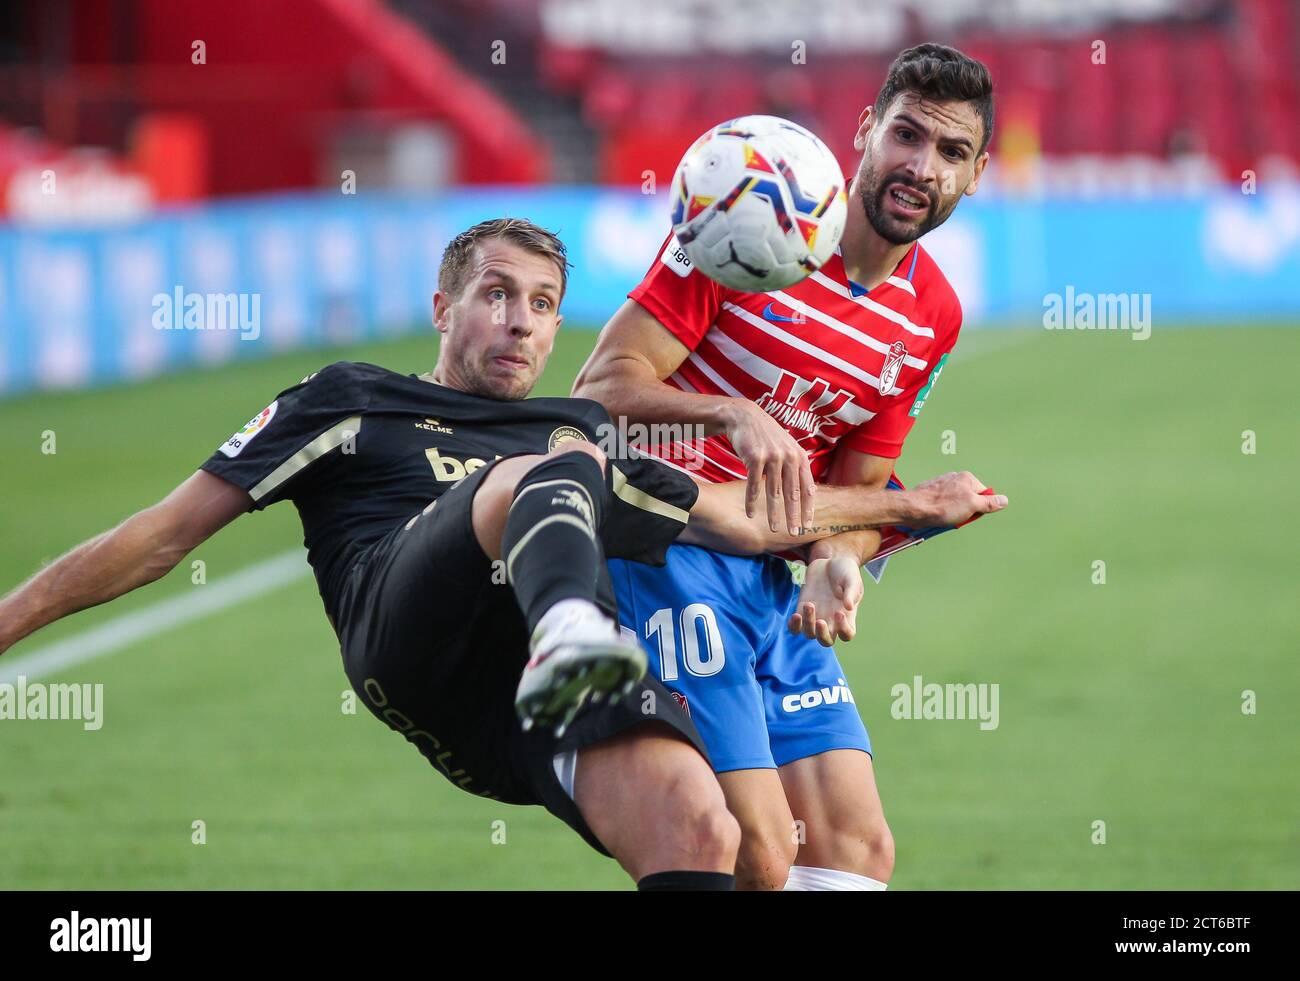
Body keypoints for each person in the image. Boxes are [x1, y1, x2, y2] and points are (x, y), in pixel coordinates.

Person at [0, 217, 1003, 890]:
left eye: (540, 303)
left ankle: (572, 649)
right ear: (443, 309)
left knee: (713, 835)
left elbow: (737, 521)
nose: (517, 321)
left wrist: (911, 506)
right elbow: (161, 535)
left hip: (519, 709)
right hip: (411, 633)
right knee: (536, 478)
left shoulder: (573, 424)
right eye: (493, 294)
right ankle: (571, 634)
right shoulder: (350, 398)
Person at [572, 43, 995, 890]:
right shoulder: (751, 220)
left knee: (853, 847)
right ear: (866, 133)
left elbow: (862, 490)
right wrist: (732, 411)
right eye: (907, 136)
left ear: (976, 174)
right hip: (666, 555)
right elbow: (600, 391)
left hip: (771, 580)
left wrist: (834, 567)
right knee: (759, 852)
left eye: (951, 153)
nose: (922, 166)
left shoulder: (931, 313)